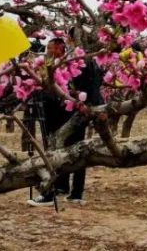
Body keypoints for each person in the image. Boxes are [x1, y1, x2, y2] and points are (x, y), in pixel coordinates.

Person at [27, 36, 103, 207]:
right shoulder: (72, 62)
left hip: (68, 113)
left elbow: (67, 89)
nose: (47, 52)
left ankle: (53, 193)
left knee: (62, 152)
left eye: (50, 48)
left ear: (60, 47)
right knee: (75, 152)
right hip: (74, 113)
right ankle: (69, 189)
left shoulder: (71, 64)